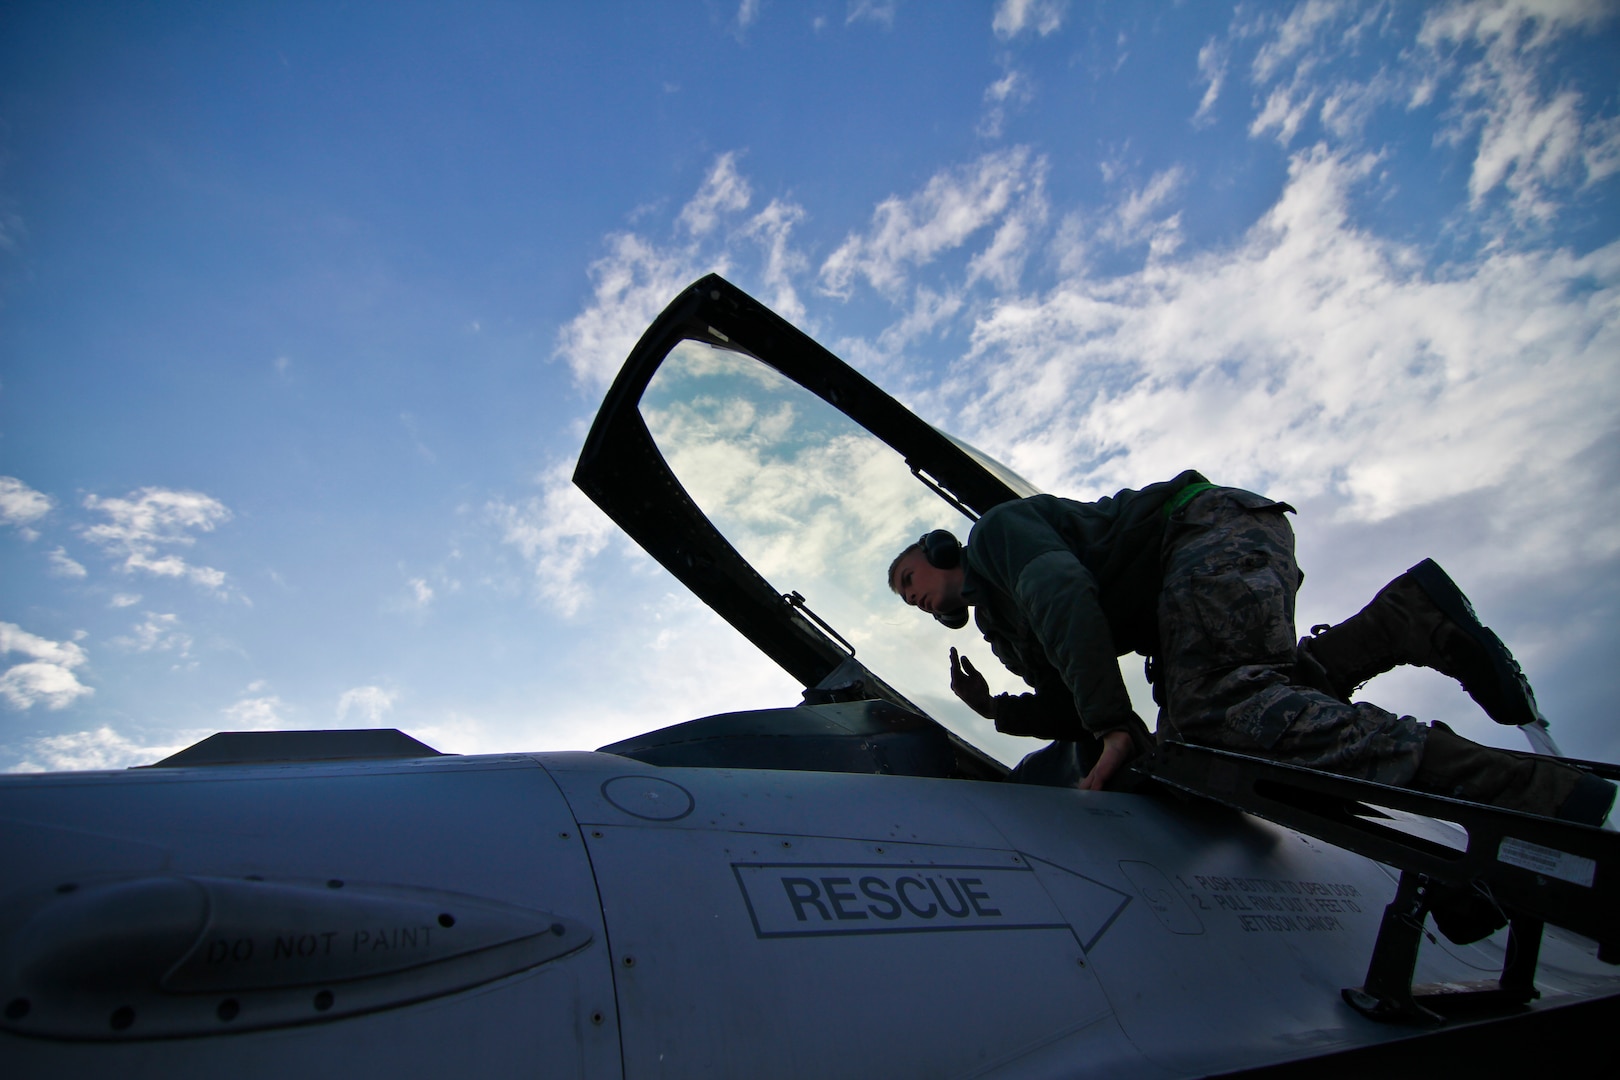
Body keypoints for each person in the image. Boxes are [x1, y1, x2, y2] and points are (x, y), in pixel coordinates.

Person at [887, 472, 1616, 828]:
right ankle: (1403, 619)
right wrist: (999, 711)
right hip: (1197, 569)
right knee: (1211, 752)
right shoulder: (1004, 631)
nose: (910, 595)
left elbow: (1065, 596)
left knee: (1215, 710)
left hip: (1205, 535)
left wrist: (1115, 719)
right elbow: (1076, 709)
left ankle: (1533, 793)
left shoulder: (1000, 536)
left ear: (941, 549)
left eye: (908, 577)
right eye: (901, 597)